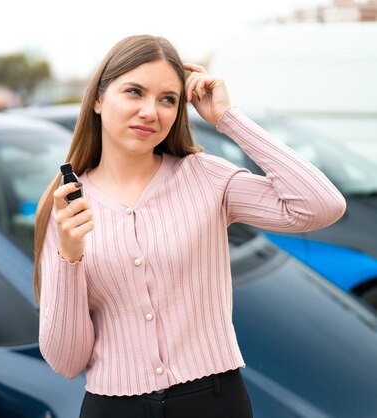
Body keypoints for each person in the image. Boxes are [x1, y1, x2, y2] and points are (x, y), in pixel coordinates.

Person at [33, 34, 346, 418]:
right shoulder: (66, 207)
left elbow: (321, 205)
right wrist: (69, 257)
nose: (151, 111)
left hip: (214, 403)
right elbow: (66, 362)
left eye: (168, 99)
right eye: (134, 92)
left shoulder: (206, 177)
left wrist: (228, 119)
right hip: (111, 409)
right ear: (98, 99)